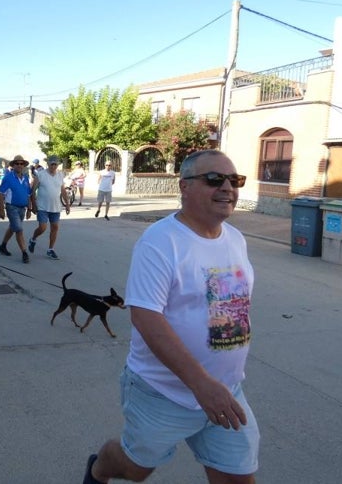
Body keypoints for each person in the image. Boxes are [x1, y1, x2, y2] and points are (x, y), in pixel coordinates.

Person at [83, 150, 258, 484]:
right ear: (185, 187)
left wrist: (217, 380)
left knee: (238, 478)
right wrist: (201, 384)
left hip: (225, 391)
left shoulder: (235, 239)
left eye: (234, 180)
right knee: (136, 469)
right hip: (162, 391)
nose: (227, 187)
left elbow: (227, 307)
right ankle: (98, 468)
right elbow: (146, 319)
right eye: (214, 179)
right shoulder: (160, 242)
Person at [27, 156, 69, 260]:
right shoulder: (40, 175)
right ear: (48, 164)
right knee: (42, 227)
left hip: (56, 207)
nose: (53, 166)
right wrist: (33, 204)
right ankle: (33, 239)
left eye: (55, 164)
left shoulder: (60, 175)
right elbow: (32, 191)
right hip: (42, 206)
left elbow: (63, 190)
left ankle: (50, 249)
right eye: (52, 164)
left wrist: (67, 203)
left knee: (55, 228)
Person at [0, 154, 33, 263]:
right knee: (19, 229)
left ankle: (3, 246)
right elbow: (1, 193)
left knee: (13, 227)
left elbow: (28, 195)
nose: (19, 165)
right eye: (17, 163)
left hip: (22, 208)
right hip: (11, 207)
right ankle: (24, 252)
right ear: (13, 165)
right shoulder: (8, 177)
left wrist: (29, 209)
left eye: (21, 163)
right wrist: (2, 210)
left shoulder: (26, 178)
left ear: (24, 165)